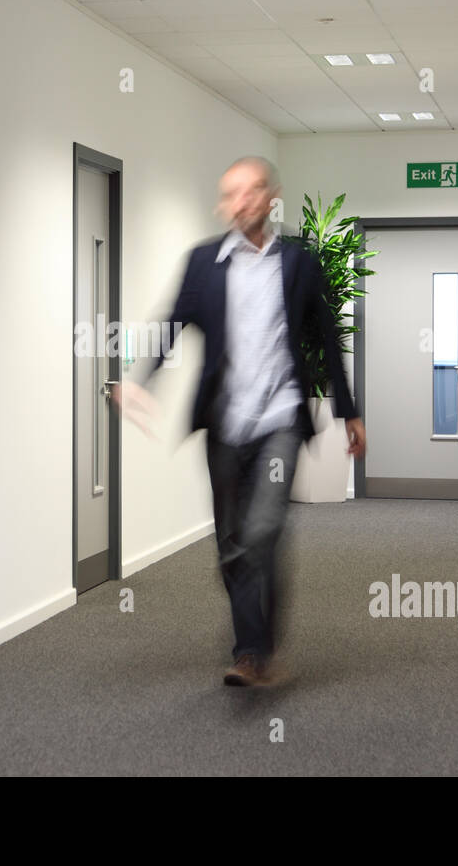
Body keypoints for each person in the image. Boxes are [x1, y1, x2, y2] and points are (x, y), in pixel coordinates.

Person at [110, 156, 366, 687]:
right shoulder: (204, 263)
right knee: (231, 543)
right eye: (232, 193)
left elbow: (325, 337)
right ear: (222, 204)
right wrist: (139, 378)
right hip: (225, 425)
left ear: (270, 196)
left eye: (251, 191)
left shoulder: (298, 262)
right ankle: (257, 643)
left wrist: (348, 411)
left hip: (280, 421)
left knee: (263, 529)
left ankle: (253, 652)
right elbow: (172, 324)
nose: (242, 201)